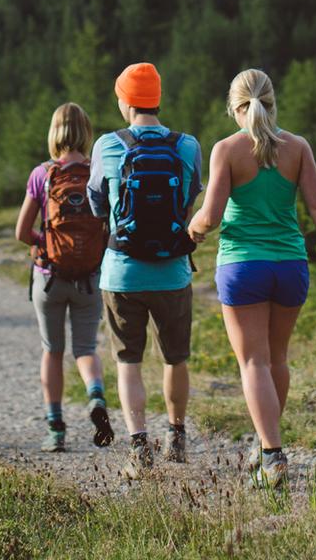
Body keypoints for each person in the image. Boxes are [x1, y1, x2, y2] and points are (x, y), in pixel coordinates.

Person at [187, 68, 316, 489]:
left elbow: (212, 216)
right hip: (290, 265)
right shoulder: (297, 147)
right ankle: (266, 448)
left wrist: (192, 229)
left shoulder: (226, 149)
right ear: (272, 102)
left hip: (243, 266)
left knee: (253, 362)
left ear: (233, 107)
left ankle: (273, 456)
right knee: (277, 358)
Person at [88, 61, 203, 478]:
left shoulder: (107, 145)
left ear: (126, 101)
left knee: (128, 361)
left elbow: (98, 203)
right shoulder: (187, 145)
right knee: (175, 358)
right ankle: (176, 437)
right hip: (172, 271)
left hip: (122, 272)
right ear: (156, 99)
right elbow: (190, 198)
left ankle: (139, 447)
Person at [14, 102, 114, 453]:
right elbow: (109, 227)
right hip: (89, 278)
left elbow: (22, 232)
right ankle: (95, 397)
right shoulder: (98, 172)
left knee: (52, 351)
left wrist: (46, 242)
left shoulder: (42, 174)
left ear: (54, 133)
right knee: (86, 348)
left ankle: (56, 429)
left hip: (49, 277)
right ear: (86, 133)